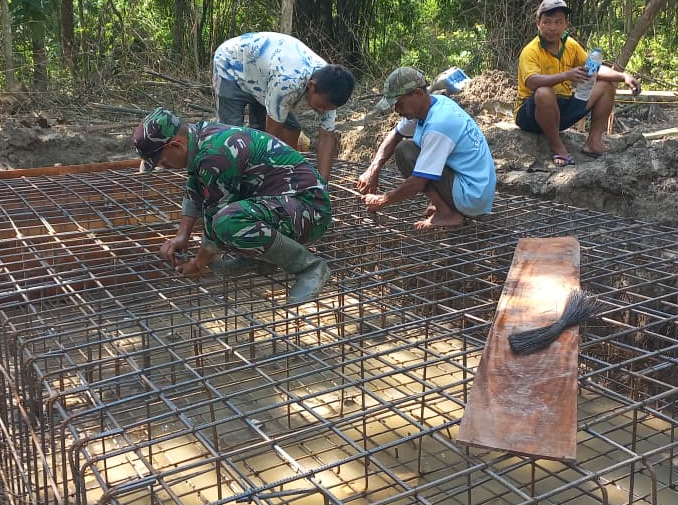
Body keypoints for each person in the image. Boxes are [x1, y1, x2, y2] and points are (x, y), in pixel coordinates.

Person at [132, 107, 333, 304]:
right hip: (287, 206)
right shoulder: (201, 139)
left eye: (161, 162)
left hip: (310, 211)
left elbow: (214, 218)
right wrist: (182, 235)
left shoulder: (215, 153)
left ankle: (310, 267)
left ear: (176, 145)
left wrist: (199, 263)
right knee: (227, 221)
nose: (162, 167)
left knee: (227, 222)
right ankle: (261, 260)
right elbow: (195, 187)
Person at [355, 67, 496, 229]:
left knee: (405, 152)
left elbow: (417, 183)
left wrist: (382, 200)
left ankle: (447, 213)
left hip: (472, 196)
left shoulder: (439, 125)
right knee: (406, 148)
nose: (397, 111)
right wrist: (373, 169)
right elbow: (395, 135)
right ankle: (447, 207)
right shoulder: (432, 105)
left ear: (418, 94)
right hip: (476, 188)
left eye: (399, 104)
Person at [212, 31, 356, 180]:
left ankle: (275, 169)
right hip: (231, 65)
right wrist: (271, 179)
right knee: (231, 138)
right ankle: (227, 182)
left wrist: (322, 184)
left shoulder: (331, 88)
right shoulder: (288, 82)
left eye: (328, 109)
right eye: (322, 106)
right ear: (312, 86)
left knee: (291, 128)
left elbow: (327, 136)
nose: (322, 111)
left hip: (262, 76)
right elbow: (271, 135)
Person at [515, 0, 641, 167]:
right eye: (547, 22)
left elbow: (593, 69)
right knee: (544, 92)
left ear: (565, 23)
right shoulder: (531, 51)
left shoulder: (571, 46)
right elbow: (532, 82)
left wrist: (623, 77)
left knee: (605, 85)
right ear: (538, 23)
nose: (552, 28)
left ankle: (593, 142)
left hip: (562, 109)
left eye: (558, 22)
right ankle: (557, 147)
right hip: (531, 114)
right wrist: (566, 75)